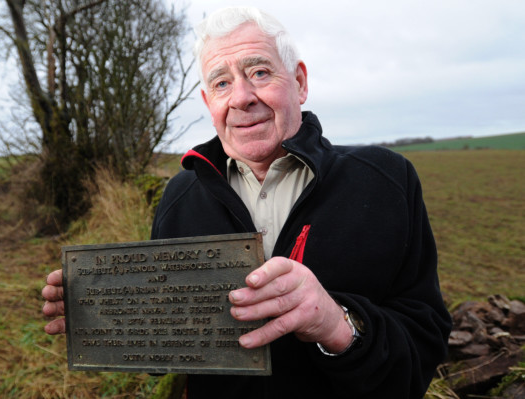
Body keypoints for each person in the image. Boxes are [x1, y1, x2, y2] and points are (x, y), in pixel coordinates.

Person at [42, 6, 452, 398]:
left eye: (259, 72)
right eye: (221, 83)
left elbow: (421, 346)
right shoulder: (180, 196)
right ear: (209, 104)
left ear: (300, 82)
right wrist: (104, 315)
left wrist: (337, 323)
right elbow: (166, 336)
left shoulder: (384, 181)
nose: (241, 97)